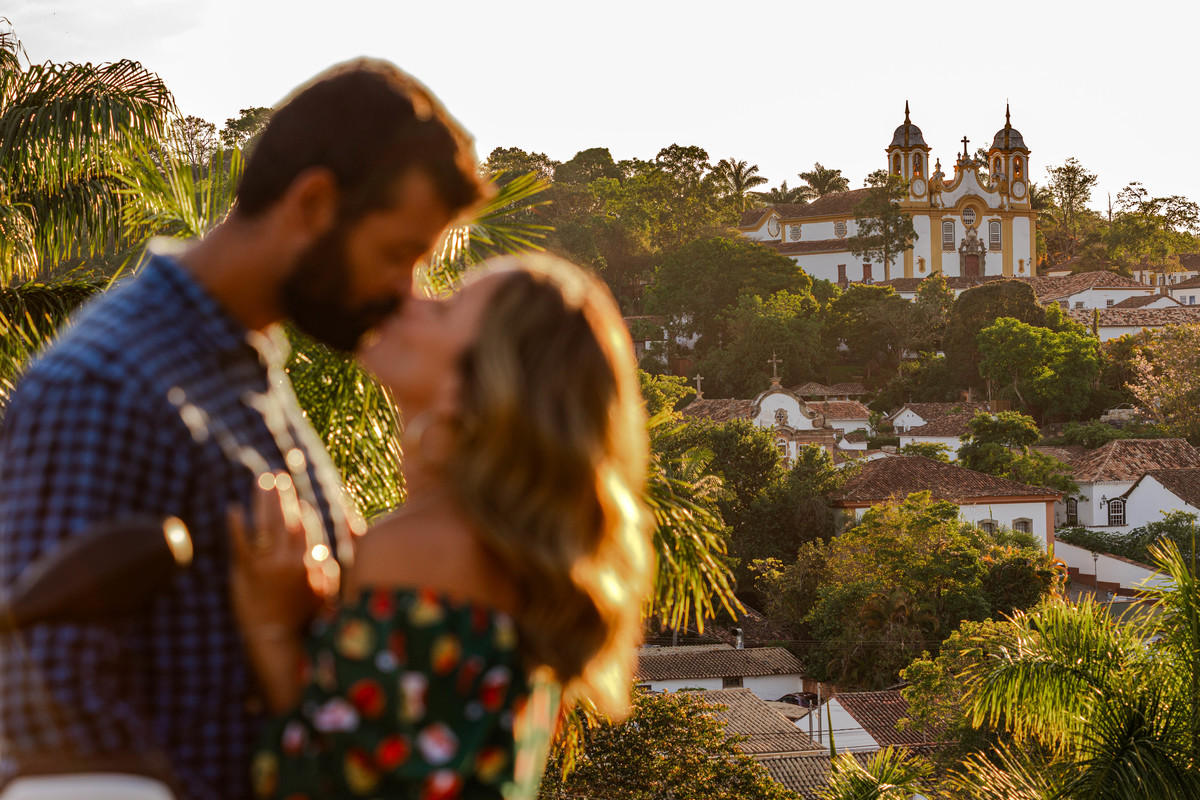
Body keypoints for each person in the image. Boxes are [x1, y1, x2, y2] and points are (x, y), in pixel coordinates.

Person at [0, 60, 486, 800]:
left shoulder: (245, 366)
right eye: (397, 255)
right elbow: (45, 707)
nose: (404, 293)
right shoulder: (106, 385)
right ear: (315, 203)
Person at [229, 255, 652, 799]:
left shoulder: (424, 550)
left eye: (446, 308)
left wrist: (272, 629)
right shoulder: (493, 552)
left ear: (477, 386)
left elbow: (322, 785)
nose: (412, 299)